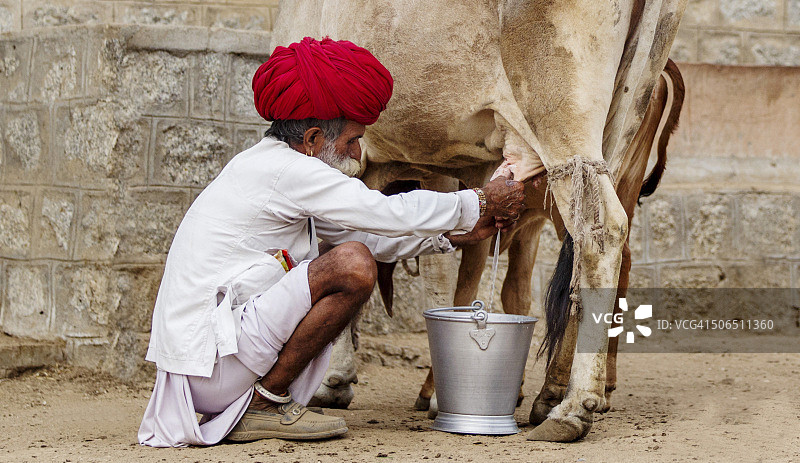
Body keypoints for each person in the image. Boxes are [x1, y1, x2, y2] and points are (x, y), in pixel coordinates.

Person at [138, 37, 525, 447]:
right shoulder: (288, 170)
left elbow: (367, 237)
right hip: (210, 366)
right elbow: (382, 213)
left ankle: (264, 400)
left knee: (349, 253)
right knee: (352, 265)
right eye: (351, 140)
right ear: (313, 139)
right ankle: (265, 403)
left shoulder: (274, 166)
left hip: (209, 365)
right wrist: (480, 200)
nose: (357, 153)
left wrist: (452, 236)